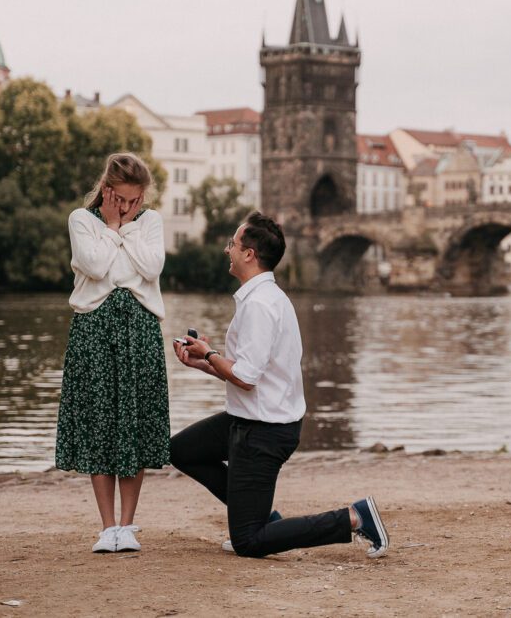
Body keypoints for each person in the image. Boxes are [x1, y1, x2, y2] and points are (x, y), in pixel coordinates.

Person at [170, 211, 389, 559]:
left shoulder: (259, 304)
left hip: (264, 430)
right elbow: (248, 372)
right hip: (248, 418)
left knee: (248, 542)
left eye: (233, 244)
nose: (228, 250)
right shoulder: (265, 298)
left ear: (249, 254)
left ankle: (352, 517)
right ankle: (258, 513)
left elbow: (246, 377)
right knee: (181, 450)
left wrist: (210, 352)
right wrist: (203, 362)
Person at [55, 152, 169, 554]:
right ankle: (107, 527)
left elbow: (152, 268)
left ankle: (128, 524)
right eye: (121, 199)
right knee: (100, 423)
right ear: (106, 191)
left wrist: (123, 229)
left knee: (133, 423)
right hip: (94, 328)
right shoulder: (81, 220)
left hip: (139, 329)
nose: (128, 207)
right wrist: (115, 227)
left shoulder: (151, 221)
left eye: (135, 200)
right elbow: (97, 265)